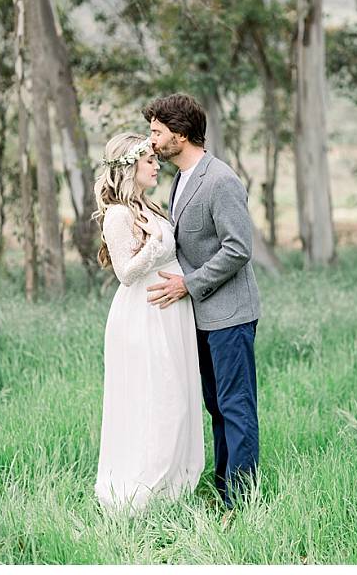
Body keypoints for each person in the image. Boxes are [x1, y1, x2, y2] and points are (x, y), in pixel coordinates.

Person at [144, 93, 261, 511]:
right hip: (199, 318)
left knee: (236, 406)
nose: (152, 140)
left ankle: (241, 504)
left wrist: (187, 285)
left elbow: (238, 248)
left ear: (180, 133)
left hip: (229, 313)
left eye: (157, 132)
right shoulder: (180, 179)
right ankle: (223, 488)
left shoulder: (220, 180)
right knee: (215, 406)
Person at [93, 132, 204, 513]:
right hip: (142, 315)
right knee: (155, 398)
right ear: (129, 166)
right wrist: (155, 247)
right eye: (150, 160)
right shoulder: (119, 215)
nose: (157, 165)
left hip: (171, 312)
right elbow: (125, 272)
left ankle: (175, 484)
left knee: (178, 397)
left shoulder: (151, 208)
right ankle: (142, 489)